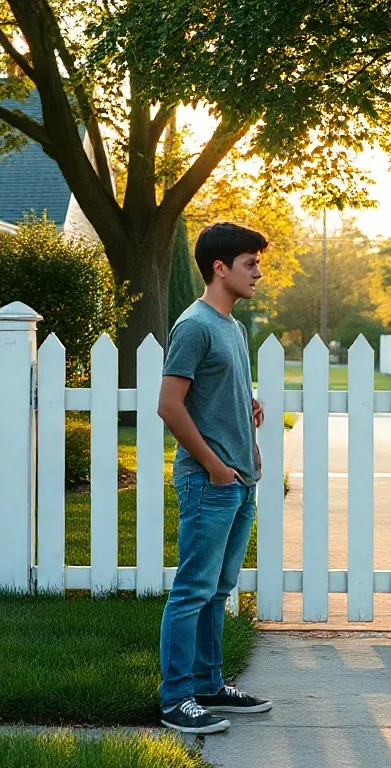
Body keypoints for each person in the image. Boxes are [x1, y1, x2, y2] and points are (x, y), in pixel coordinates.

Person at [156, 222, 272, 735]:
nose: (258, 273)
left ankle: (207, 684)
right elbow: (169, 406)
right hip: (210, 483)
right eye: (251, 263)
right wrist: (214, 466)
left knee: (218, 590)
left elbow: (219, 396)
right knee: (192, 589)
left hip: (239, 480)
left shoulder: (234, 328)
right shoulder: (195, 325)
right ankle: (175, 698)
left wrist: (249, 413)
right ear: (219, 268)